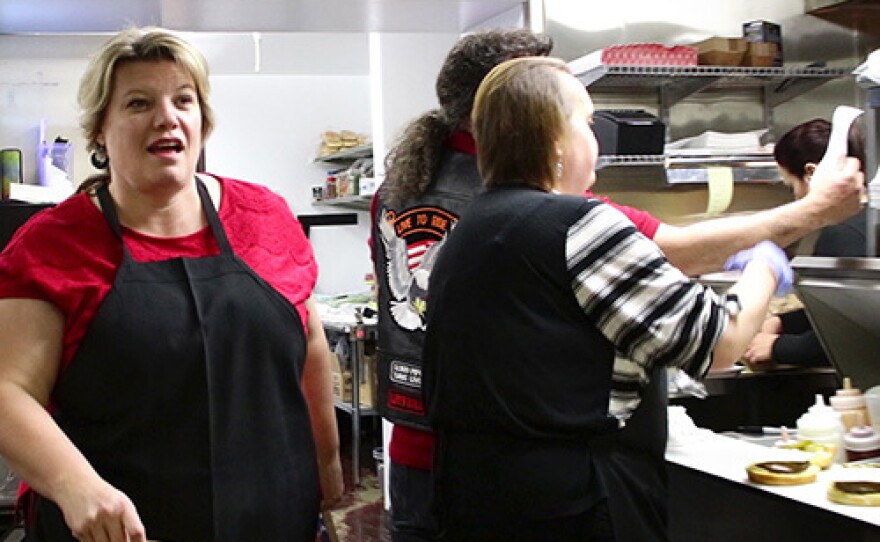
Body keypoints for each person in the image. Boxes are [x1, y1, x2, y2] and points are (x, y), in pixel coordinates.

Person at [371, 29, 864, 542]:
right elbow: (719, 345)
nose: (598, 141)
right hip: (578, 502)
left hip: (488, 495)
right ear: (553, 137)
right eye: (587, 122)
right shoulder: (578, 223)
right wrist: (765, 264)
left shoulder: (469, 228)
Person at [0, 27, 343, 542]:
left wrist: (329, 464)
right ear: (98, 128)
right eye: (139, 103)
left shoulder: (266, 217)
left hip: (274, 517)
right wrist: (77, 488)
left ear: (203, 120)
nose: (168, 117)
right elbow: (9, 389)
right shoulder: (53, 246)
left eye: (184, 100)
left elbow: (309, 343)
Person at [744, 119, 867, 368]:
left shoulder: (844, 233)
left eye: (793, 185)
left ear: (811, 173)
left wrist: (777, 347)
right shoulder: (862, 223)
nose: (796, 196)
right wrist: (785, 323)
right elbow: (843, 311)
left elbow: (844, 336)